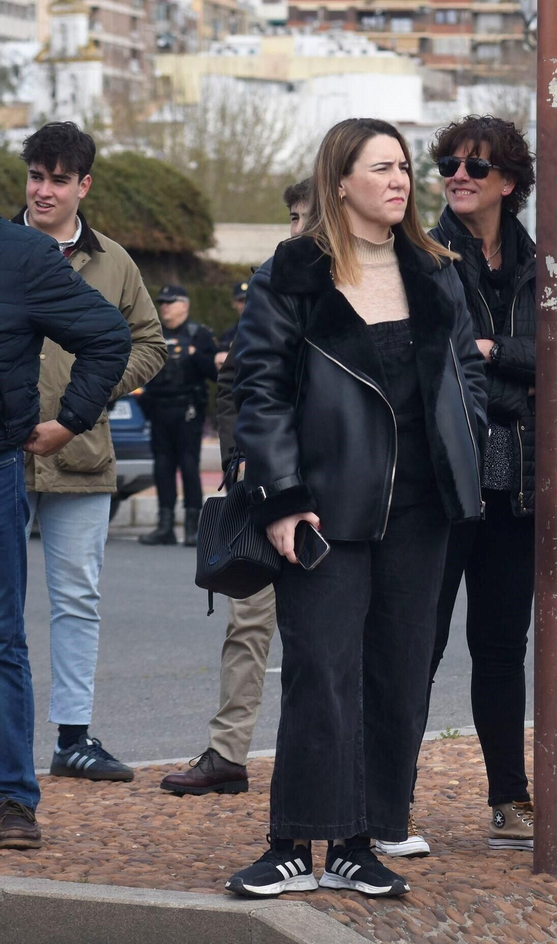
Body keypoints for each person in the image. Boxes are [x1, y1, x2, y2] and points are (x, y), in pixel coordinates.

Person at [227, 118, 487, 898]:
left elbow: (464, 375)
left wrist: (466, 437)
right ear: (340, 181)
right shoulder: (294, 272)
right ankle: (287, 844)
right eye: (382, 167)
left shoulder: (437, 269)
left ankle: (355, 842)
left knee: (399, 675)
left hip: (422, 510)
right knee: (320, 672)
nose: (401, 180)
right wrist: (282, 498)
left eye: (405, 167)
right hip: (324, 509)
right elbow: (259, 389)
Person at [13, 122, 165, 784]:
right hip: (5, 454)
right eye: (35, 176)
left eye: (57, 179)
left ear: (84, 185)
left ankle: (73, 738)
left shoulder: (115, 262)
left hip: (81, 453)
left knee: (77, 596)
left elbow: (150, 344)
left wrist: (88, 403)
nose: (43, 190)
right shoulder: (7, 248)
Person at [406, 115, 540, 856]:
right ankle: (389, 794)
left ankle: (509, 798)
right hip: (438, 479)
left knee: (499, 646)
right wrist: (497, 362)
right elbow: (430, 358)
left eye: (475, 167)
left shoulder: (544, 266)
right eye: (449, 164)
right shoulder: (419, 256)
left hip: (514, 482)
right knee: (415, 645)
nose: (458, 175)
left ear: (508, 183)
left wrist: (494, 351)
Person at [160, 179, 311, 799]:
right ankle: (227, 754)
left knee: (331, 641)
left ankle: (325, 769)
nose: (298, 228)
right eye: (294, 217)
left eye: (309, 216)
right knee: (247, 624)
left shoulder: (368, 285)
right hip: (265, 488)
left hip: (338, 493)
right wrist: (241, 461)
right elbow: (238, 384)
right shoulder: (272, 285)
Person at [0, 215, 131, 850]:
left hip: (13, 461)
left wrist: (71, 419)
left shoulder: (22, 255)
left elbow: (113, 335)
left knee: (7, 633)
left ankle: (12, 799)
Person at [137, 283, 218, 547]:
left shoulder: (199, 334)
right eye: (162, 303)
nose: (164, 307)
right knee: (162, 466)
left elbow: (215, 374)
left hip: (187, 411)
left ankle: (193, 527)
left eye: (170, 302)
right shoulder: (154, 334)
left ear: (184, 305)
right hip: (159, 409)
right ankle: (165, 526)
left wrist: (196, 357)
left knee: (189, 465)